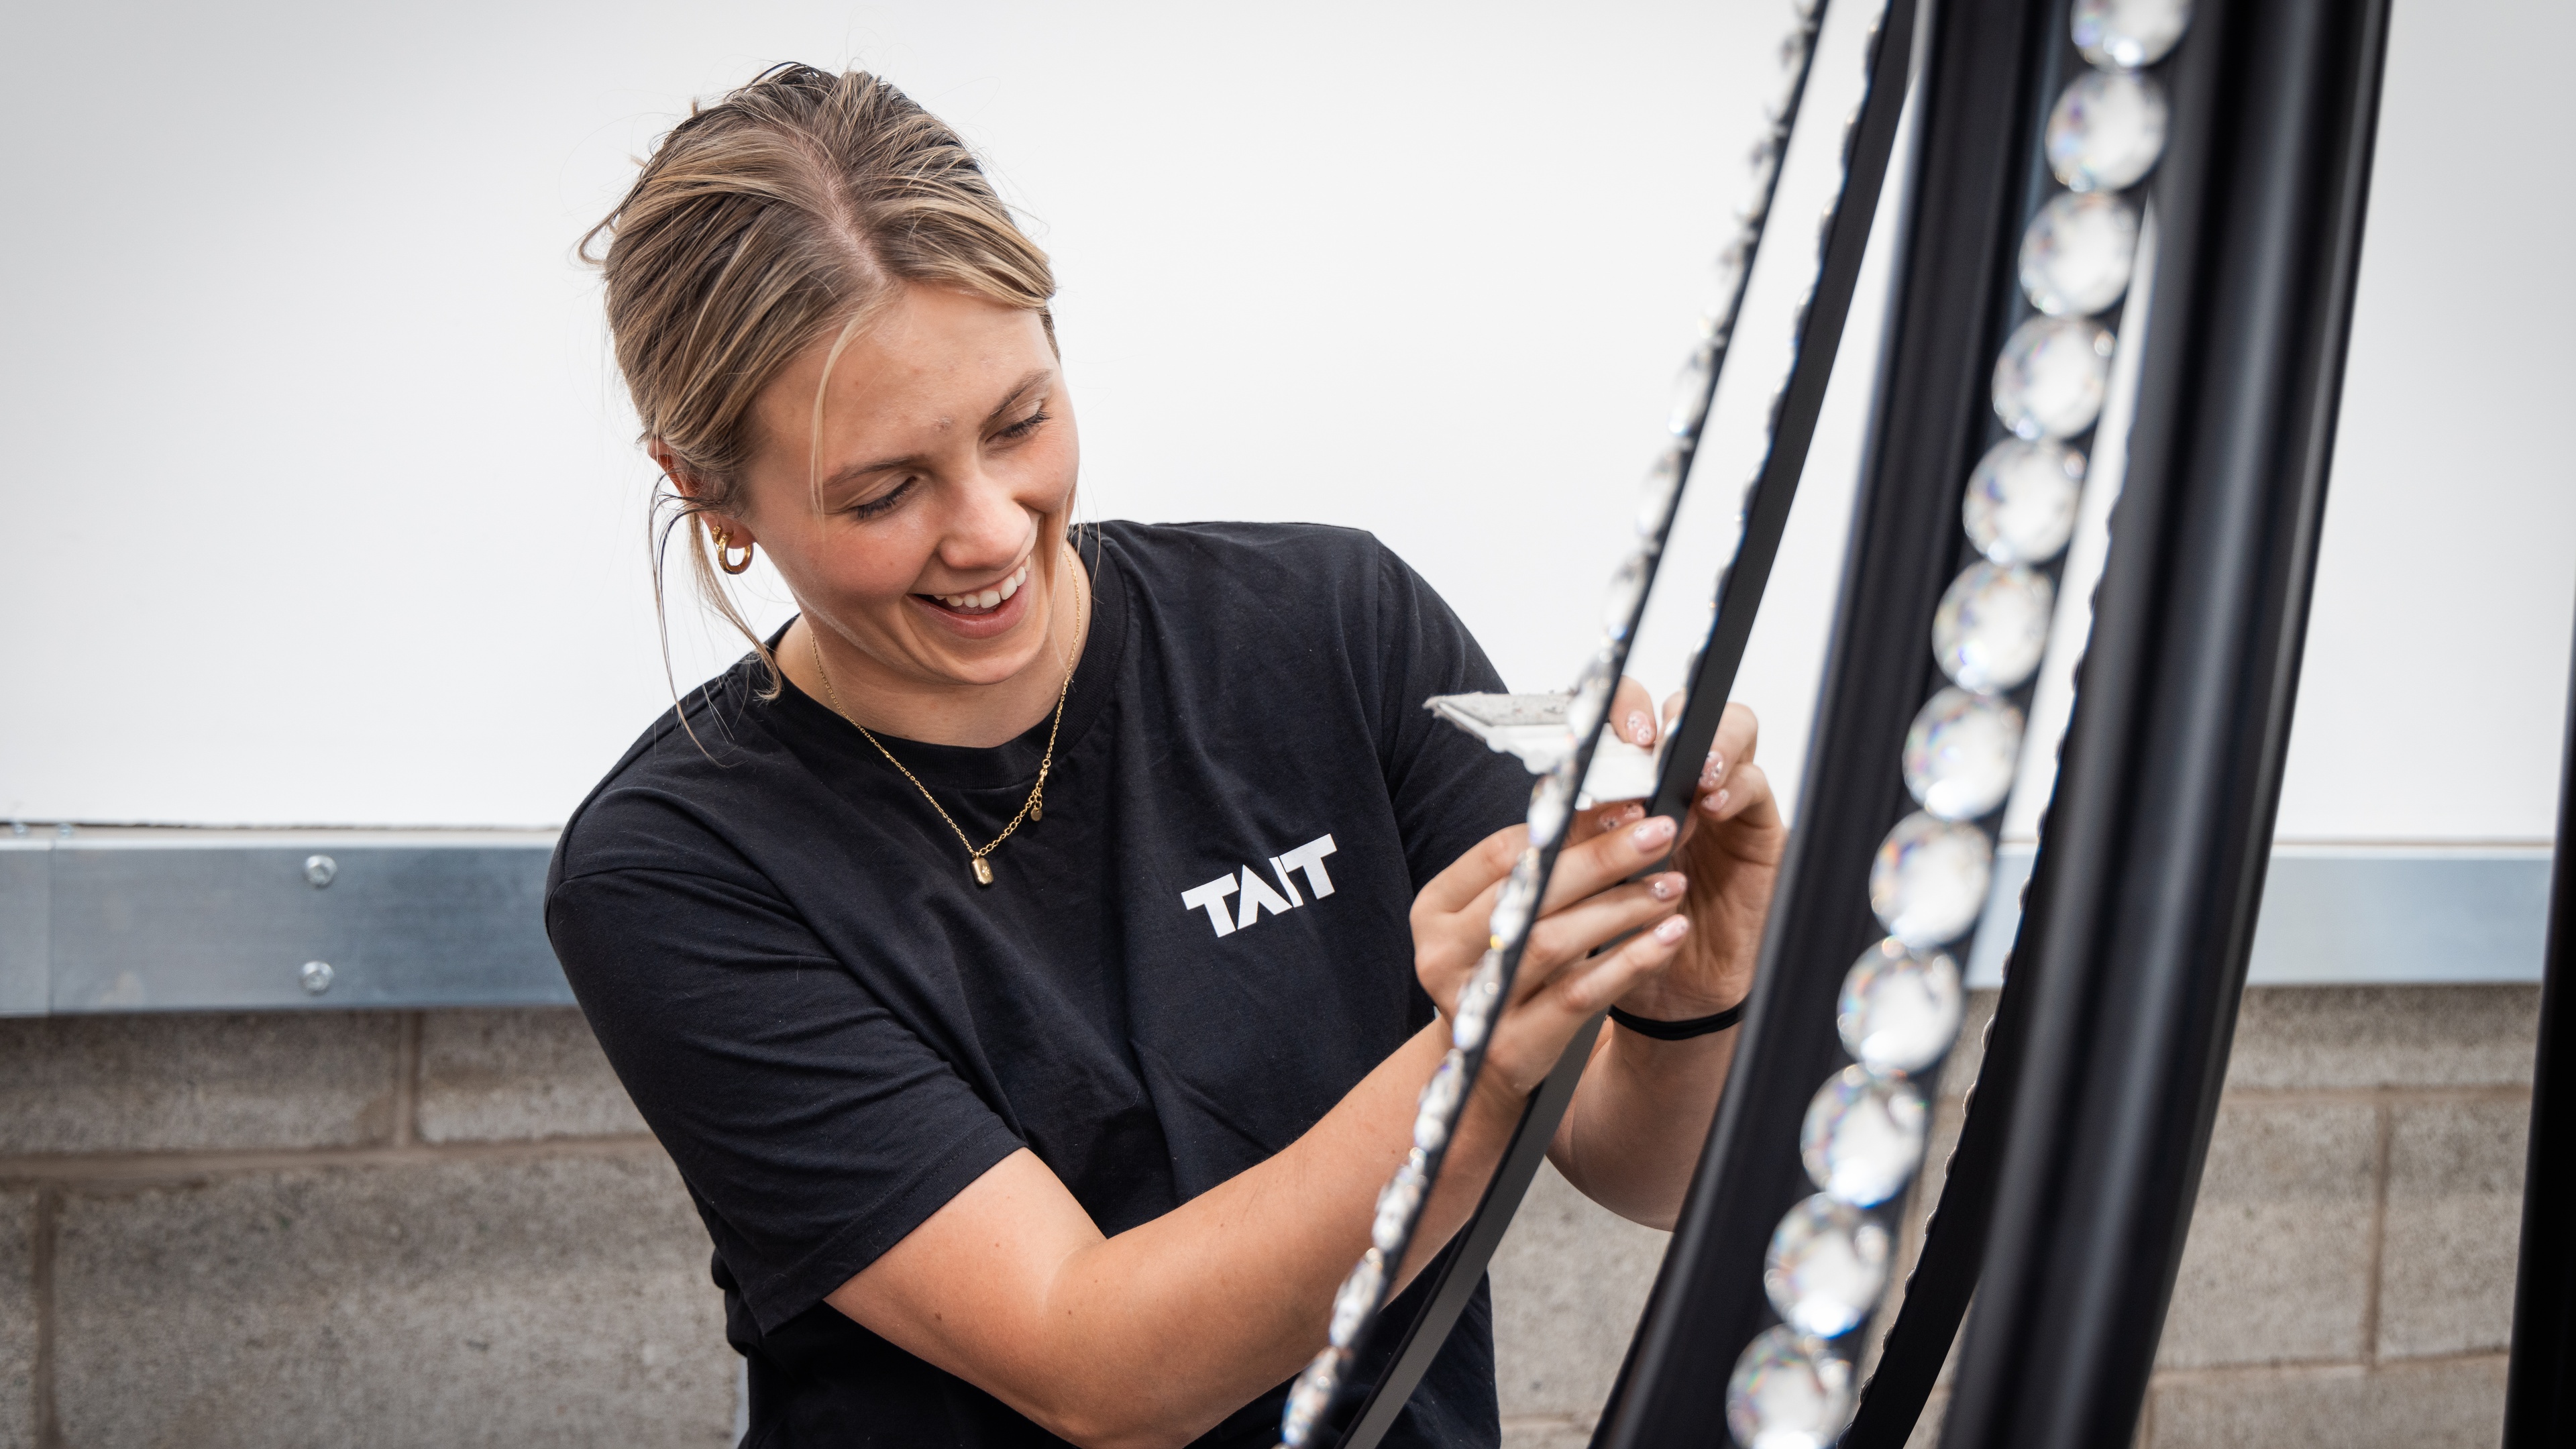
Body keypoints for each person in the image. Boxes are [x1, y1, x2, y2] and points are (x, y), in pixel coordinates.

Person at [549, 63, 1784, 1449]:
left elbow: (1652, 1167)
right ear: (707, 491)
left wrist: (1688, 984)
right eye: (885, 490)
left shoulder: (1334, 628)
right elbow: (1098, 1366)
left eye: (1019, 422)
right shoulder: (678, 870)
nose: (994, 529)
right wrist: (1474, 1066)